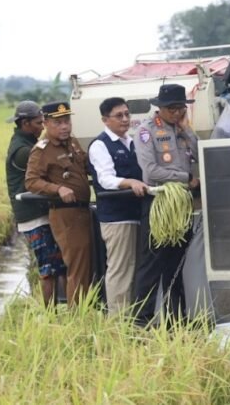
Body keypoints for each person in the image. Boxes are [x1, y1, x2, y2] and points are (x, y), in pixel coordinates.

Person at [134, 84, 199, 325]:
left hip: (181, 205)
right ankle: (142, 320)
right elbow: (151, 171)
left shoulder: (182, 130)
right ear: (159, 108)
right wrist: (186, 178)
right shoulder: (146, 131)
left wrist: (187, 131)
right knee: (151, 264)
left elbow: (201, 155)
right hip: (159, 203)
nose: (176, 113)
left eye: (180, 108)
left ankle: (176, 320)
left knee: (176, 265)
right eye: (172, 109)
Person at [25, 101, 93, 306]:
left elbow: (85, 167)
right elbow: (31, 181)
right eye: (58, 122)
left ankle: (84, 310)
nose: (65, 126)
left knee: (87, 265)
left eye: (67, 121)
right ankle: (77, 317)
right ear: (45, 123)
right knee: (78, 267)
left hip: (83, 212)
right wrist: (58, 189)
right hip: (66, 215)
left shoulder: (72, 143)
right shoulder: (41, 150)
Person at [87, 97, 148, 316]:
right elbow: (105, 179)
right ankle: (117, 321)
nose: (125, 119)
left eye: (127, 114)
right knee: (121, 269)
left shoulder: (131, 142)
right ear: (105, 120)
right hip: (117, 218)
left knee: (135, 269)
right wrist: (130, 182)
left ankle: (132, 317)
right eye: (119, 115)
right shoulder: (100, 145)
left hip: (136, 213)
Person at [5, 101, 66, 307]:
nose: (42, 127)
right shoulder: (23, 150)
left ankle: (62, 309)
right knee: (48, 267)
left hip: (40, 211)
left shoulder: (30, 143)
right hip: (33, 215)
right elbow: (51, 166)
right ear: (25, 123)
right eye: (39, 123)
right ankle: (51, 314)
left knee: (57, 263)